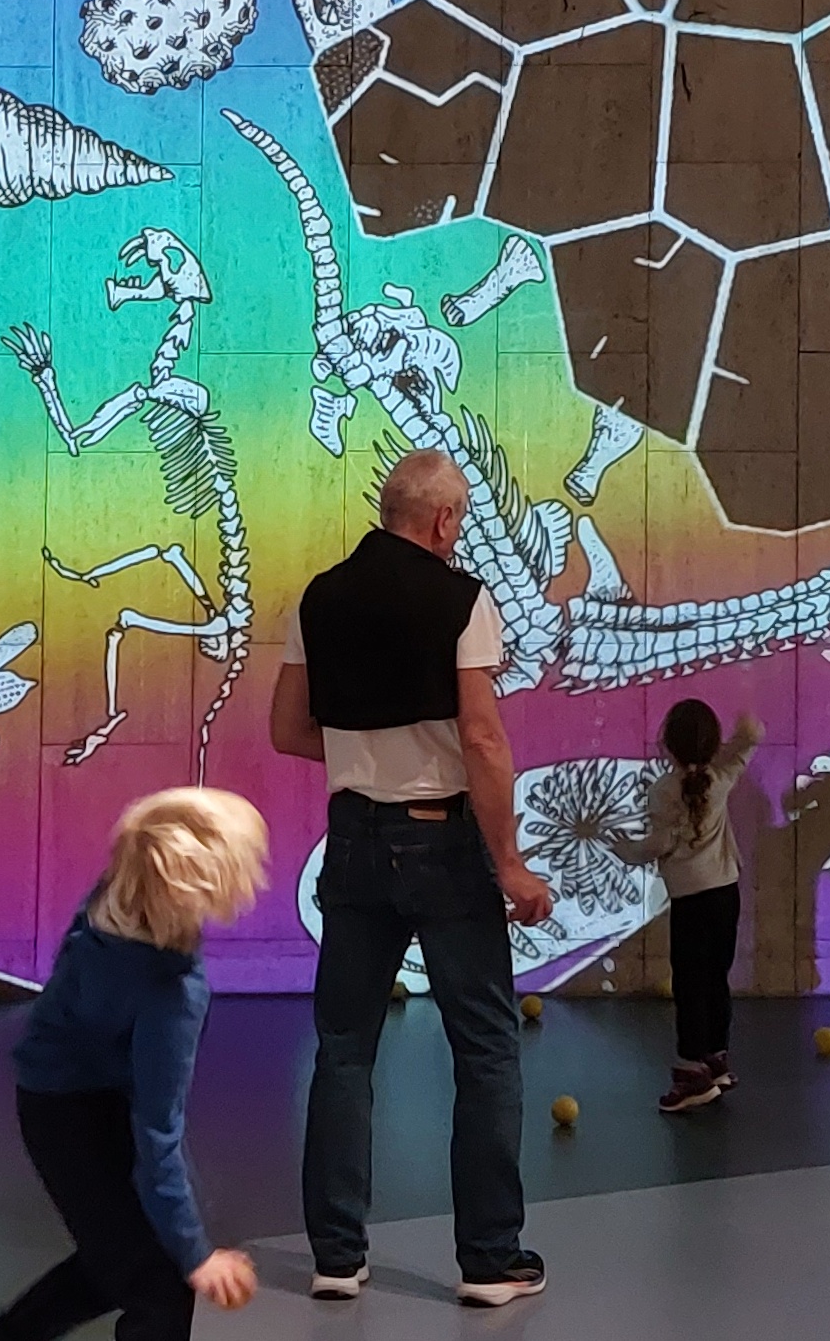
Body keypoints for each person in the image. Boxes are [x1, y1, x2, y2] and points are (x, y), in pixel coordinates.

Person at [269, 449, 554, 1307]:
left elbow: (287, 730)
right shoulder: (462, 599)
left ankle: (335, 1256)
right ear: (442, 521)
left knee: (344, 1051)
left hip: (353, 840)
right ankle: (489, 1261)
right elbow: (483, 738)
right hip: (442, 843)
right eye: (458, 519)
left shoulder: (318, 597)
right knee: (487, 1049)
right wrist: (509, 862)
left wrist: (367, 757)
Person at [0, 788, 268, 1341]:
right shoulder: (171, 994)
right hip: (71, 1114)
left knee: (116, 1256)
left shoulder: (106, 907)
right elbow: (158, 1134)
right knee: (161, 1289)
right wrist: (197, 1255)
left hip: (55, 1097)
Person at [614, 700, 762, 1112]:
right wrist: (744, 723)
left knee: (689, 985)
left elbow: (659, 843)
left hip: (690, 900)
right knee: (715, 979)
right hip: (726, 894)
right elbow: (749, 741)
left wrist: (626, 851)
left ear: (668, 744)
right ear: (713, 743)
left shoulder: (663, 791)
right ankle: (716, 1059)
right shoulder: (720, 779)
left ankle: (691, 1074)